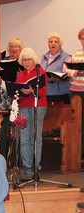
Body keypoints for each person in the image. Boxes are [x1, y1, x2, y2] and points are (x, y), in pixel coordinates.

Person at [17, 47, 47, 175]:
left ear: (34, 60)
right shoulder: (21, 74)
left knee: (36, 136)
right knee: (24, 136)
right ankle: (26, 165)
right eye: (24, 60)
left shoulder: (41, 72)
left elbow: (44, 91)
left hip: (38, 106)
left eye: (29, 59)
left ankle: (36, 164)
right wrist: (22, 92)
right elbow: (16, 92)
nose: (27, 62)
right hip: (24, 105)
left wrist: (32, 91)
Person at [66, 27, 84, 159]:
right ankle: (79, 152)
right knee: (77, 123)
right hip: (75, 92)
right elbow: (68, 72)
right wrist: (77, 72)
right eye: (82, 39)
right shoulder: (76, 54)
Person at [40, 32, 71, 105]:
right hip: (45, 94)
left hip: (60, 95)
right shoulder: (43, 57)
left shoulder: (67, 57)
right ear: (48, 45)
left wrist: (52, 77)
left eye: (56, 42)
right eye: (51, 42)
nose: (53, 43)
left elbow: (67, 75)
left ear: (60, 45)